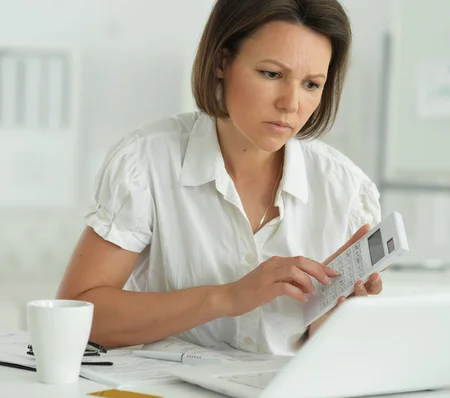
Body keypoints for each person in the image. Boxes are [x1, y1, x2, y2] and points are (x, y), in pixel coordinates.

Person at [56, 0, 384, 355]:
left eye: (311, 84)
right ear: (221, 62)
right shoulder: (147, 162)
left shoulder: (346, 189)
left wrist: (335, 309)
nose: (291, 103)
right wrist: (227, 297)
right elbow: (77, 317)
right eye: (271, 74)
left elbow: (338, 354)